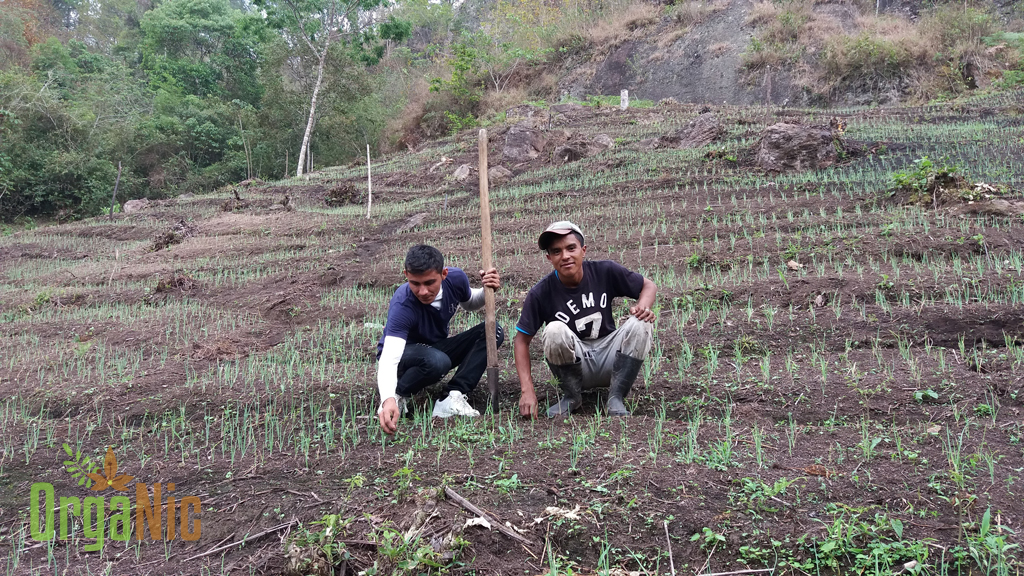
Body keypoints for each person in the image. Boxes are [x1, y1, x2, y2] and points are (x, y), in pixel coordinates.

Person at [514, 221, 657, 418]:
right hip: (576, 364)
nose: (565, 256)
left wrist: (643, 306)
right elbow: (521, 341)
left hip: (612, 359)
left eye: (571, 248)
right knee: (554, 329)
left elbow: (648, 286)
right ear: (549, 258)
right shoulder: (541, 293)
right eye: (556, 251)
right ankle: (572, 396)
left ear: (583, 250)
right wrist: (527, 390)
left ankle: (616, 396)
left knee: (641, 322)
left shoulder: (605, 271)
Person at [376, 244, 504, 434]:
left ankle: (451, 396)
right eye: (415, 283)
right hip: (406, 356)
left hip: (434, 349)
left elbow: (469, 303)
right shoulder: (403, 304)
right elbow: (389, 357)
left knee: (492, 332)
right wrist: (387, 399)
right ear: (406, 275)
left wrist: (487, 288)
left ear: (444, 274)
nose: (422, 291)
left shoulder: (456, 279)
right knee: (437, 361)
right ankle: (399, 394)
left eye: (429, 283)